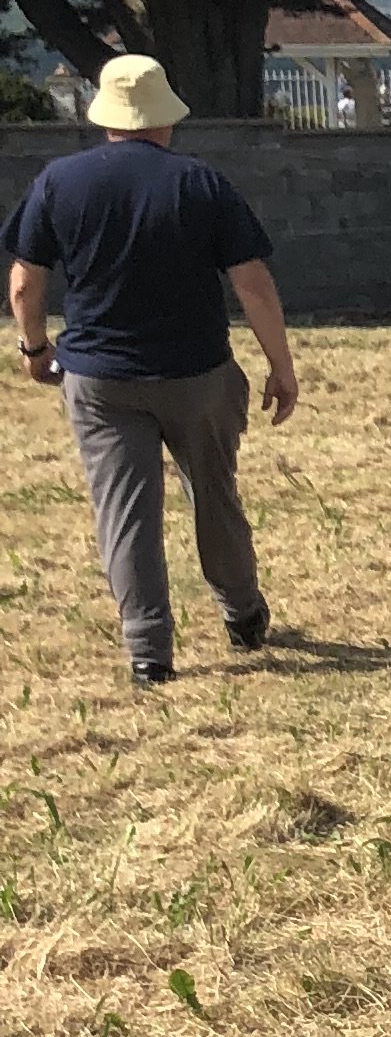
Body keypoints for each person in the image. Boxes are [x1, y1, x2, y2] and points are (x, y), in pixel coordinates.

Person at [7, 54, 300, 686]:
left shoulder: (59, 181)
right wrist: (280, 365)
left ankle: (148, 650)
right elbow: (252, 283)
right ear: (166, 118)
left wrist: (35, 349)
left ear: (104, 116)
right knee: (214, 494)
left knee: (125, 513)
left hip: (99, 378)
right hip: (197, 373)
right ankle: (242, 611)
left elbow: (26, 281)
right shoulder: (201, 183)